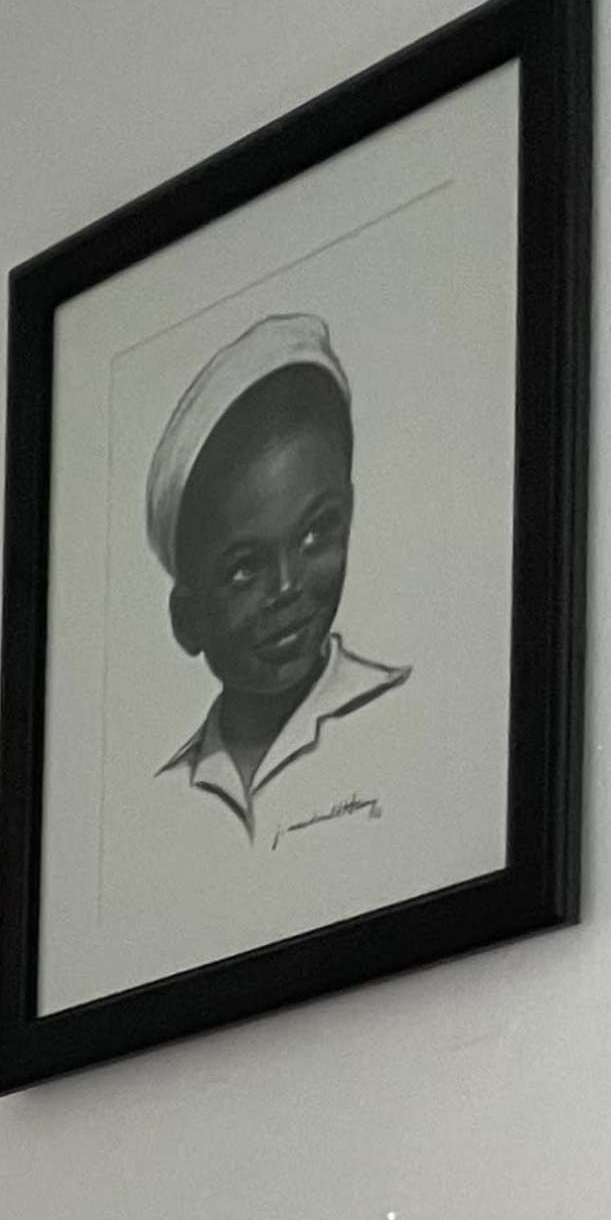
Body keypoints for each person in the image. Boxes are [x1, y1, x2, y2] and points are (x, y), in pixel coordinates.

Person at [145, 312, 407, 836]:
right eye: (244, 568)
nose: (287, 587)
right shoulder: (160, 802)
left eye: (316, 533)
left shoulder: (400, 720)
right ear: (186, 619)